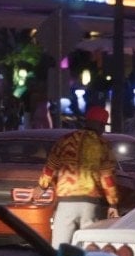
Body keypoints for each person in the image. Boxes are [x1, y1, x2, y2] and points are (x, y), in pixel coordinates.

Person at [38, 105, 120, 245]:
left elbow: (51, 166)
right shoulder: (103, 145)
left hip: (65, 202)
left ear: (87, 121)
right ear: (100, 125)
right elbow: (107, 178)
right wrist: (113, 203)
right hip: (90, 203)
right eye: (103, 126)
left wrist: (42, 186)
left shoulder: (65, 140)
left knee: (60, 246)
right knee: (87, 246)